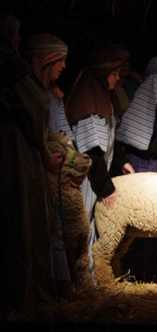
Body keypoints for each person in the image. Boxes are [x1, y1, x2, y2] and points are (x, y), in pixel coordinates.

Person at [1, 13, 57, 315]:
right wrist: (44, 148)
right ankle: (23, 296)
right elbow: (35, 107)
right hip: (15, 149)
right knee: (21, 214)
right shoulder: (11, 64)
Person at [65, 47, 135, 285]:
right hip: (86, 178)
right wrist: (106, 188)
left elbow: (108, 139)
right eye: (114, 73)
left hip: (96, 176)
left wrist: (121, 160)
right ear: (103, 73)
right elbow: (92, 151)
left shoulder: (103, 97)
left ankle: (92, 279)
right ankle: (78, 282)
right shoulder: (89, 101)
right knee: (81, 225)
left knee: (90, 225)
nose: (118, 78)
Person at [23, 32, 74, 298]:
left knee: (53, 225)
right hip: (31, 167)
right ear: (48, 59)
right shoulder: (31, 91)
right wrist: (47, 151)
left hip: (49, 168)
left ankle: (58, 286)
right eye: (60, 61)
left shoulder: (50, 94)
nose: (64, 67)